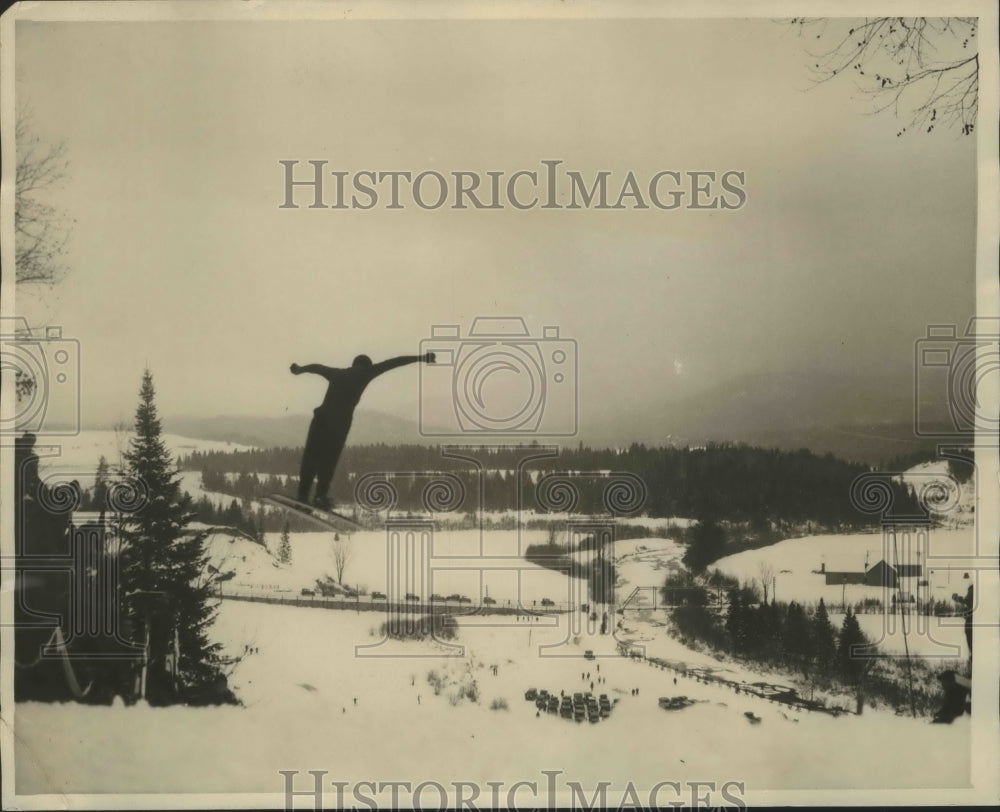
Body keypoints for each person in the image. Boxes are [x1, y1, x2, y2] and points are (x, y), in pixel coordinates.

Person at [291, 352, 436, 508]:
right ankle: (320, 496)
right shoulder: (368, 372)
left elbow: (317, 367)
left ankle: (302, 496)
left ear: (354, 364)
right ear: (367, 365)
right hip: (339, 423)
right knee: (329, 459)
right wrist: (422, 358)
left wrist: (300, 369)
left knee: (311, 455)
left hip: (320, 418)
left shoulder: (337, 372)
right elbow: (395, 362)